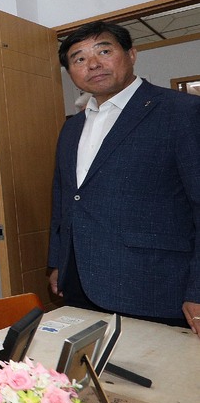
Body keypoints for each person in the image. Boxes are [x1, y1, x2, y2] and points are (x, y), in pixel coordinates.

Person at [48, 20, 200, 334]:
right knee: (89, 377)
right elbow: (64, 199)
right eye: (78, 58)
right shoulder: (71, 127)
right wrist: (59, 262)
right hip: (80, 283)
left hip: (153, 287)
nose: (92, 63)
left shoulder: (182, 112)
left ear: (131, 54)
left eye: (104, 50)